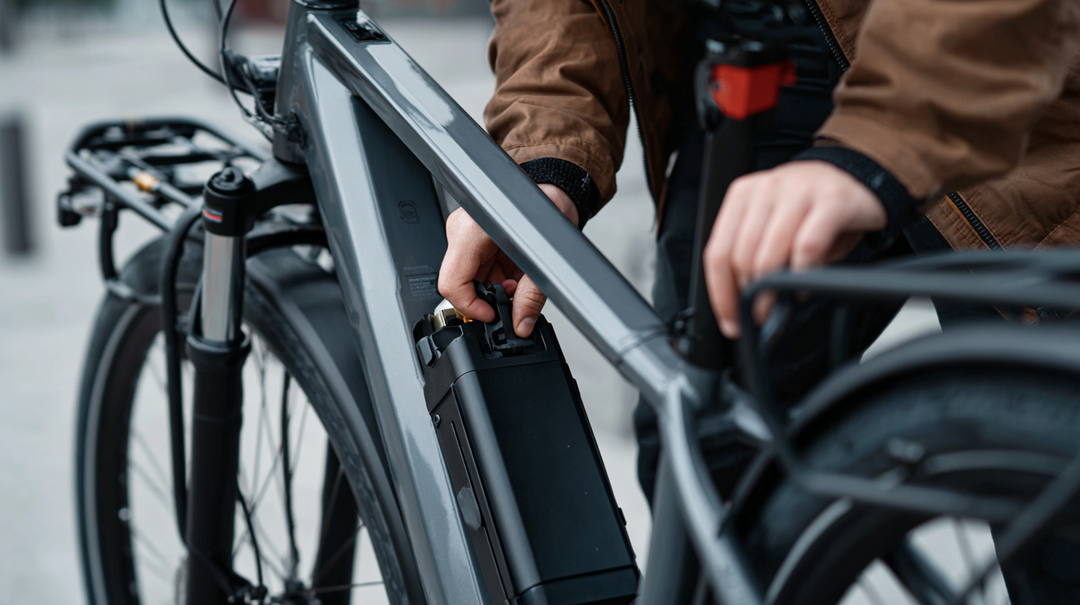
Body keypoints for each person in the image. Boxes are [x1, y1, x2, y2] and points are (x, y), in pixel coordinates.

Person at [439, 0, 1080, 598]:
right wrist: (542, 155)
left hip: (1004, 61)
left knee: (1052, 482)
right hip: (763, 60)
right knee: (710, 472)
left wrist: (887, 138)